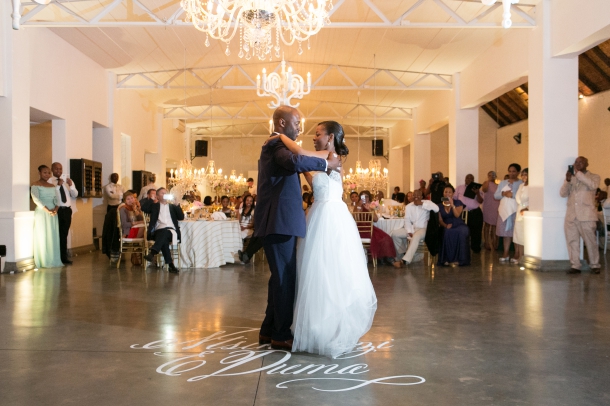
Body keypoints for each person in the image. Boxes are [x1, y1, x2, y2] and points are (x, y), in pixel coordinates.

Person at [272, 120, 376, 358]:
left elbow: (298, 152)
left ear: (330, 137)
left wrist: (279, 137)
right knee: (315, 272)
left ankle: (333, 326)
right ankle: (316, 326)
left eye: (318, 133)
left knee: (332, 271)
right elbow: (304, 169)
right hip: (318, 215)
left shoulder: (331, 155)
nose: (313, 137)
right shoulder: (323, 159)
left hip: (332, 218)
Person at [254, 106, 341, 352]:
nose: (299, 128)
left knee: (279, 278)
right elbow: (295, 161)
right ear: (282, 123)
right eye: (296, 123)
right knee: (284, 279)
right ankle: (280, 334)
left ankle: (269, 329)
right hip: (278, 221)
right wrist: (327, 164)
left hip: (281, 221)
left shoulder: (279, 144)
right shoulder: (276, 145)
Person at [561, 156, 601, 274]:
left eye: (581, 162)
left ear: (587, 164)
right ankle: (575, 265)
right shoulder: (571, 178)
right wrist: (567, 181)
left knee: (590, 241)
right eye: (576, 162)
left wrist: (578, 174)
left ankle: (595, 264)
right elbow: (563, 194)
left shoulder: (594, 177)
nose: (577, 164)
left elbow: (593, 186)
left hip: (587, 215)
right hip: (571, 215)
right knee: (572, 240)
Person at [391, 190, 439, 267]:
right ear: (412, 196)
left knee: (416, 236)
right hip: (412, 228)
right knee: (395, 234)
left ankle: (405, 261)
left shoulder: (427, 203)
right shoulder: (408, 206)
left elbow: (437, 209)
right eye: (414, 195)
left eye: (418, 195)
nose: (416, 196)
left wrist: (422, 203)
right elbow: (407, 220)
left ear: (422, 196)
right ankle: (402, 254)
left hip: (423, 229)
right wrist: (409, 231)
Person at [143, 188, 184, 274]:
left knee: (165, 233)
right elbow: (144, 208)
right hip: (158, 231)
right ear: (157, 196)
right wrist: (152, 199)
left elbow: (181, 217)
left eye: (166, 193)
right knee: (163, 239)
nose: (165, 195)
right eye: (162, 193)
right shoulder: (155, 206)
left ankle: (153, 252)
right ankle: (171, 266)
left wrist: (176, 204)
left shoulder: (172, 206)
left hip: (171, 231)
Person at [31, 165, 63, 269]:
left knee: (52, 236)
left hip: (53, 213)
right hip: (42, 212)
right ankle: (44, 260)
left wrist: (55, 209)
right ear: (39, 173)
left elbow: (57, 199)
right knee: (43, 235)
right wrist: (47, 210)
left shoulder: (52, 186)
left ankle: (54, 259)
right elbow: (36, 199)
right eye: (45, 172)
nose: (47, 175)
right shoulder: (35, 185)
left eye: (49, 172)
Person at [48, 162, 78, 265]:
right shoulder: (50, 181)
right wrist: (58, 185)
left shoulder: (67, 181)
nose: (59, 171)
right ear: (52, 169)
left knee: (64, 234)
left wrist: (71, 186)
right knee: (58, 234)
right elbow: (52, 194)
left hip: (67, 210)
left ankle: (63, 257)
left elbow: (75, 194)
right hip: (57, 210)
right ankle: (58, 257)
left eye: (60, 169)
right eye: (56, 169)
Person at [356, 190, 397, 265]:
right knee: (377, 239)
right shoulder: (357, 206)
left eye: (366, 196)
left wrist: (370, 210)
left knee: (386, 238)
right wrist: (359, 205)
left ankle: (386, 258)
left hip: (370, 228)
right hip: (360, 230)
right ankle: (382, 259)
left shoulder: (371, 206)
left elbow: (376, 219)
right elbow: (356, 218)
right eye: (363, 196)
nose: (365, 198)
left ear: (369, 198)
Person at [494, 163, 523, 262]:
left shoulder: (521, 183)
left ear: (518, 172)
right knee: (506, 233)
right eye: (510, 171)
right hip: (504, 209)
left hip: (515, 210)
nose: (511, 173)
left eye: (514, 171)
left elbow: (522, 196)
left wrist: (512, 195)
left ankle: (516, 253)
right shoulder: (503, 183)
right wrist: (503, 193)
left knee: (515, 232)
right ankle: (505, 253)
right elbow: (496, 195)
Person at [438, 185, 470, 266]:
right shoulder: (439, 205)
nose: (447, 194)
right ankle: (447, 259)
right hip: (447, 224)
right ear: (443, 193)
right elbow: (440, 220)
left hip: (458, 223)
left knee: (462, 231)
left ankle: (461, 259)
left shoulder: (458, 202)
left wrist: (452, 205)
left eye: (449, 192)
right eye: (446, 192)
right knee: (447, 232)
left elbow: (457, 215)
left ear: (453, 194)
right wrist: (445, 225)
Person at [454, 174, 484, 254]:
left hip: (475, 212)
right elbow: (454, 199)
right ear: (465, 179)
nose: (469, 180)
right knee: (463, 231)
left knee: (476, 232)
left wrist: (477, 193)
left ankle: (476, 249)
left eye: (471, 178)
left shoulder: (478, 189)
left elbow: (481, 201)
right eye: (468, 178)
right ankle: (462, 248)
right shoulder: (459, 188)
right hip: (463, 213)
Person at [101, 173, 124, 261]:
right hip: (111, 207)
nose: (115, 178)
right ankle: (111, 248)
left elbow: (122, 196)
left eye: (117, 177)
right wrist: (119, 195)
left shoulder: (121, 186)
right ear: (111, 178)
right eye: (114, 177)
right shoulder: (107, 187)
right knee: (111, 226)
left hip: (120, 206)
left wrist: (116, 195)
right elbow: (111, 196)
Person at [237, 195, 264, 264]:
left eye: (251, 201)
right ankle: (246, 255)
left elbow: (254, 223)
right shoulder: (241, 210)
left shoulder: (254, 211)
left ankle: (246, 254)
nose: (249, 202)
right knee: (255, 236)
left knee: (260, 238)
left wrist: (245, 227)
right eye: (247, 200)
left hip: (262, 231)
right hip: (261, 230)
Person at [481, 171, 500, 251]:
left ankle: (494, 242)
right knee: (487, 224)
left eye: (493, 175)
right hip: (488, 206)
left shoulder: (498, 185)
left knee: (495, 225)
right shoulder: (486, 183)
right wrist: (488, 180)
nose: (492, 176)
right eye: (490, 175)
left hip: (496, 206)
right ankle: (486, 242)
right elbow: (484, 190)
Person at [513, 168, 529, 264]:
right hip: (519, 211)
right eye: (522, 174)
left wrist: (527, 208)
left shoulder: (532, 186)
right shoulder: (521, 185)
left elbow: (535, 199)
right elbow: (518, 199)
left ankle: (524, 257)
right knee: (518, 235)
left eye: (526, 174)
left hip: (527, 211)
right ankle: (519, 255)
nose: (523, 176)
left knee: (524, 235)